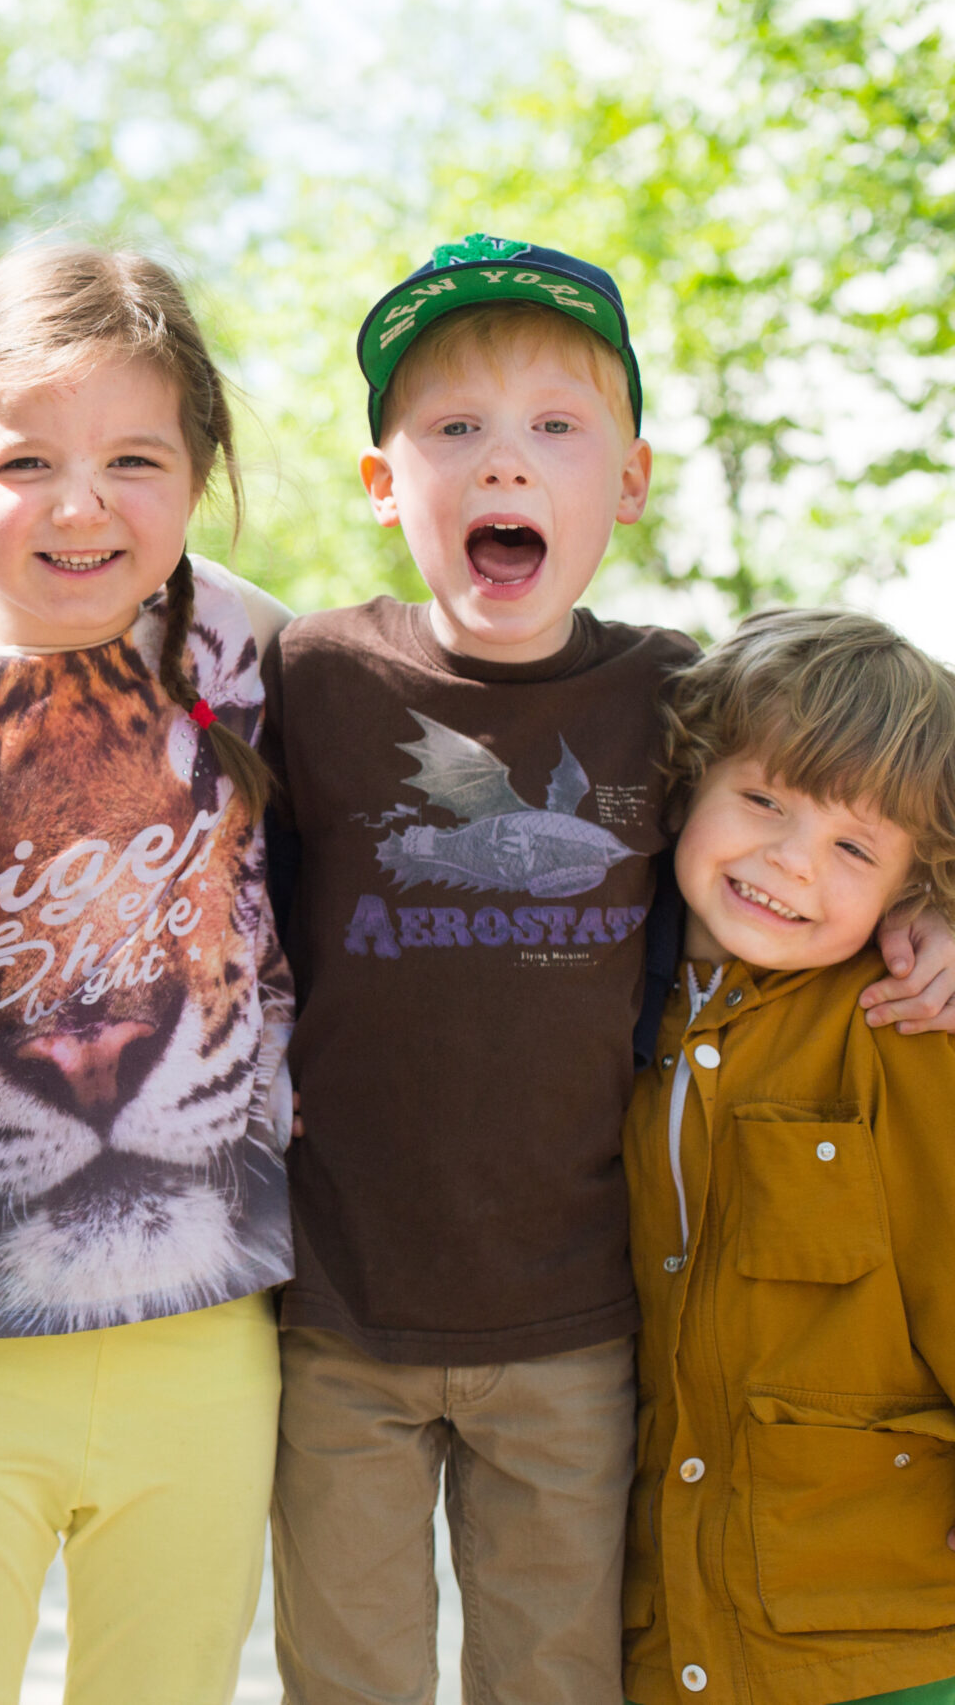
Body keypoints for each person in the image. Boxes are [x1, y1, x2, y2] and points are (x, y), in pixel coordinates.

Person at [261, 235, 955, 1705]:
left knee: (558, 1675)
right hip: (341, 1305)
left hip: (577, 1322)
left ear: (625, 485)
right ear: (386, 485)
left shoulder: (673, 693)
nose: (505, 464)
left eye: (555, 430)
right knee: (351, 1674)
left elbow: (840, 803)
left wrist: (943, 909)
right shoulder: (313, 677)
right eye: (456, 430)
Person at [0, 244, 295, 1705]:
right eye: (28, 459)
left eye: (134, 458)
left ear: (199, 468)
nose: (82, 503)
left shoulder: (251, 650)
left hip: (210, 1331)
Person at [622, 609, 955, 1705]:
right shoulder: (603, 996)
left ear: (914, 884)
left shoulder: (900, 1027)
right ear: (689, 781)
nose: (786, 860)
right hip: (667, 1617)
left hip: (878, 1626)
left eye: (853, 847)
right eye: (762, 799)